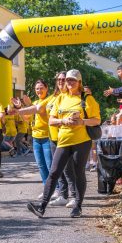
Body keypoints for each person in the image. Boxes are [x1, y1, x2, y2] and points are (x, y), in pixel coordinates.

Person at [27, 69, 101, 218]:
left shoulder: (87, 99)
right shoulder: (60, 98)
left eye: (73, 80)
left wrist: (82, 121)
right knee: (54, 172)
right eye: (67, 80)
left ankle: (78, 206)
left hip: (81, 141)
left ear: (79, 82)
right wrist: (63, 121)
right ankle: (42, 207)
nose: (69, 82)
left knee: (78, 172)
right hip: (63, 141)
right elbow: (51, 120)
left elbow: (97, 120)